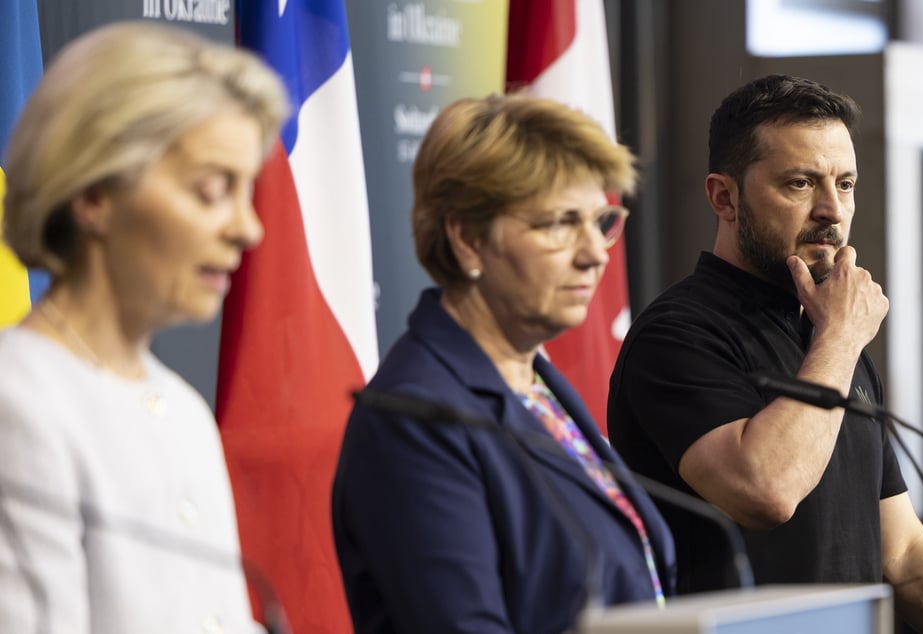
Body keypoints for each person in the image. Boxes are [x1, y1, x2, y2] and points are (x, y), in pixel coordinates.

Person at [332, 93, 676, 633]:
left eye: (601, 220)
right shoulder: (416, 418)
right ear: (468, 238)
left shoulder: (537, 386)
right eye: (561, 223)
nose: (596, 253)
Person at [607, 74, 923, 631]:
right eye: (802, 184)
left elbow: (900, 554)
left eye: (847, 184)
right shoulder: (678, 333)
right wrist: (841, 340)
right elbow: (766, 490)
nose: (833, 210)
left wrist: (836, 339)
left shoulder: (831, 335)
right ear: (724, 197)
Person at [0, 21, 288, 633]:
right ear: (96, 194)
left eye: (247, 192)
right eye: (213, 191)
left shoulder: (182, 410)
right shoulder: (17, 402)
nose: (248, 229)